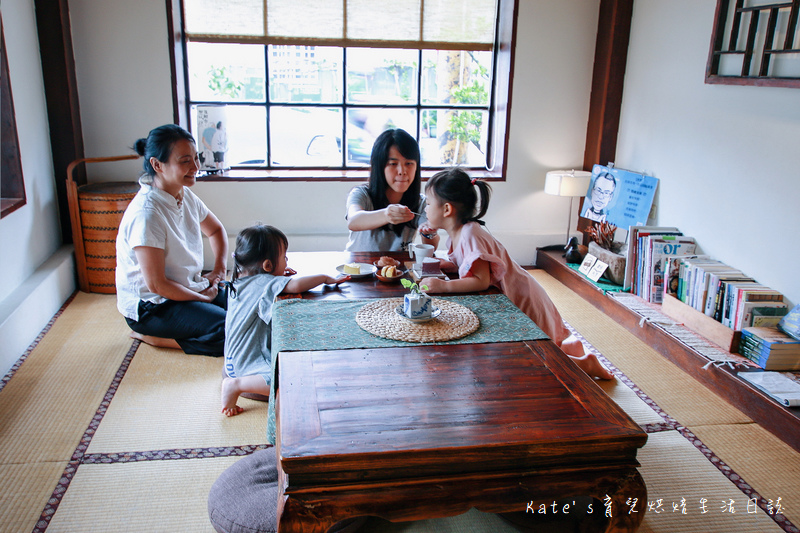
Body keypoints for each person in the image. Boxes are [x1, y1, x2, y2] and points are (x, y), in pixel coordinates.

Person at [419, 168, 613, 380]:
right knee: (535, 350)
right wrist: (448, 265)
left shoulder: (469, 234)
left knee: (533, 360)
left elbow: (481, 281)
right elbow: (471, 266)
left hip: (522, 298)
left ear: (447, 209)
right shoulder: (459, 234)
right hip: (519, 291)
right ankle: (571, 349)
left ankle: (585, 365)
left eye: (428, 203)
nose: (425, 209)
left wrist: (444, 286)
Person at [116, 124, 229, 356]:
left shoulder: (183, 193)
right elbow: (157, 284)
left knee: (248, 307)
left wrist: (218, 271)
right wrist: (202, 298)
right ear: (157, 165)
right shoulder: (147, 214)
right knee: (230, 331)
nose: (195, 167)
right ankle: (154, 339)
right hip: (153, 305)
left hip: (187, 289)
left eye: (196, 158)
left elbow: (216, 230)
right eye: (185, 160)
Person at [221, 225, 349, 416]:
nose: (286, 261)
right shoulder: (265, 283)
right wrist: (324, 277)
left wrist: (276, 276)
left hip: (232, 359)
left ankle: (236, 380)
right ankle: (235, 385)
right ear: (267, 266)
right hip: (248, 366)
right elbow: (296, 285)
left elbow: (265, 285)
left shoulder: (238, 281)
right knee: (294, 383)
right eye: (284, 258)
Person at [345, 128, 439, 252]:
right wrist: (386, 215)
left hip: (398, 269)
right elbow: (353, 221)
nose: (402, 171)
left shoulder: (421, 202)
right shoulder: (361, 194)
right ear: (380, 166)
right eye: (393, 164)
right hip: (359, 268)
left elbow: (431, 246)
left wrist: (429, 232)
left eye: (409, 163)